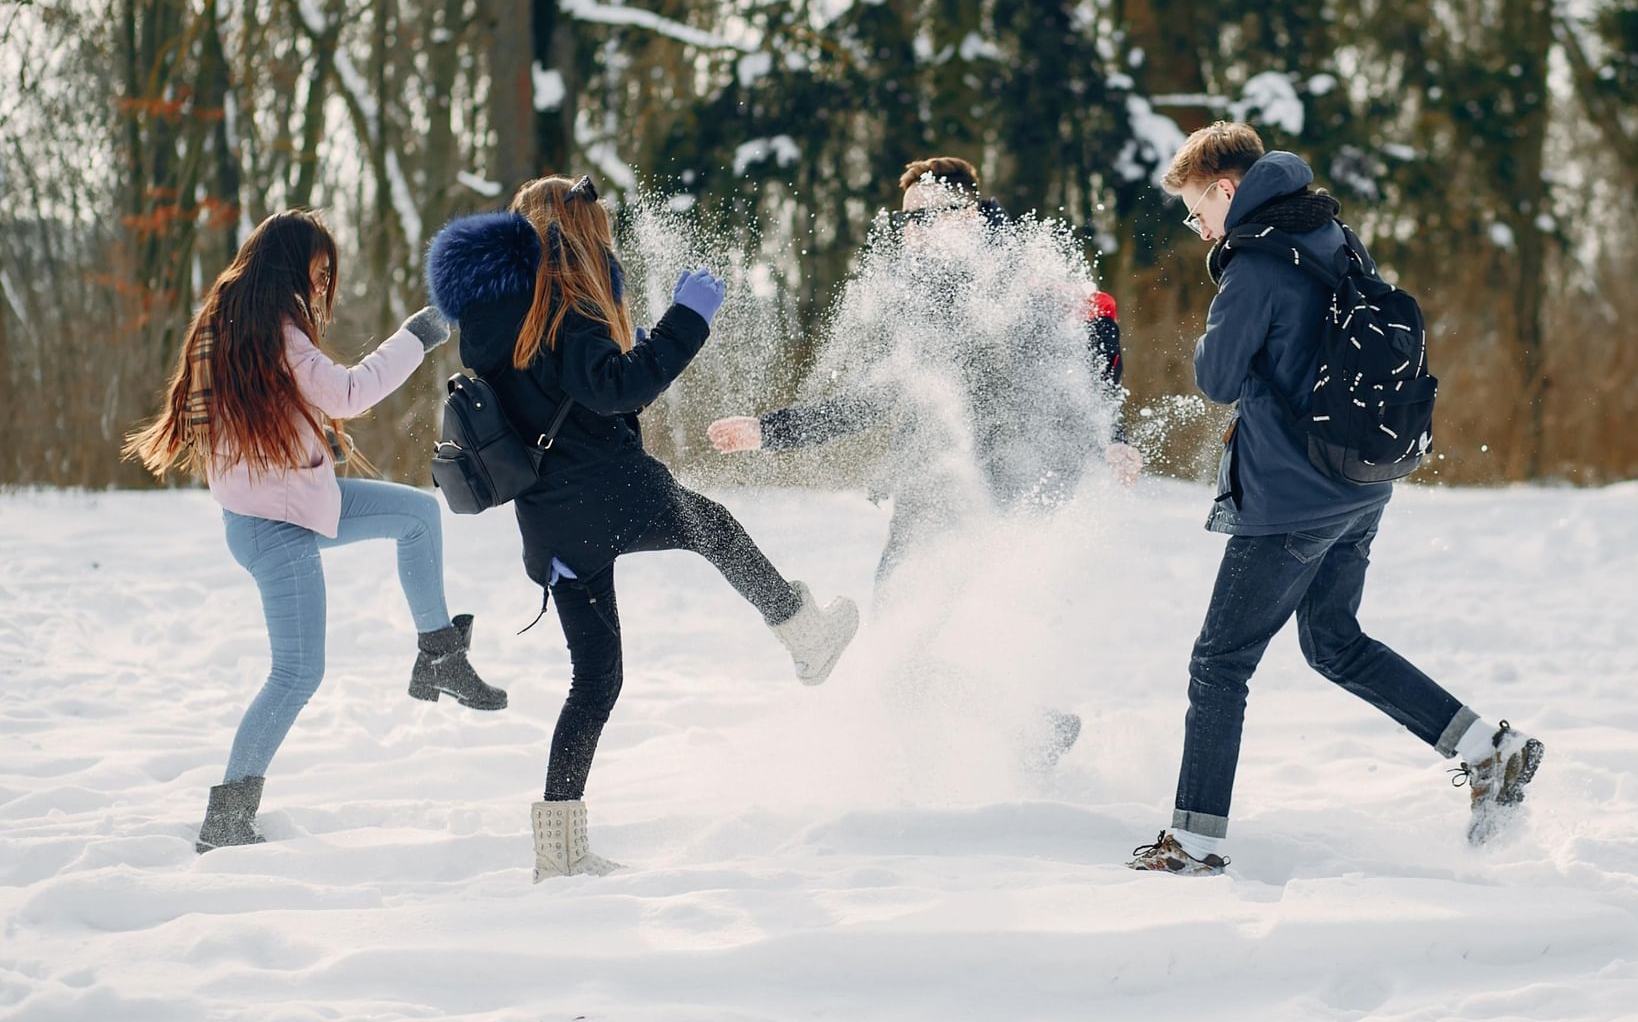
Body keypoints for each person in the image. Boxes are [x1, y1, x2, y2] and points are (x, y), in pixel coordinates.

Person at [1127, 123, 1542, 875]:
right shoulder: (1330, 234)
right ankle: (1489, 748)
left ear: (1225, 189)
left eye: (1196, 212)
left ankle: (1194, 842)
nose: (1199, 231)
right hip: (1358, 484)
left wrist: (1221, 318)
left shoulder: (1253, 264)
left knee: (1219, 665)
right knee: (1334, 641)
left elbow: (1216, 378)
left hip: (1291, 500)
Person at [425, 175, 860, 882]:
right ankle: (804, 633)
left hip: (551, 524)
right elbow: (619, 386)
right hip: (614, 487)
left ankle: (559, 853)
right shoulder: (564, 299)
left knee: (594, 678)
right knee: (714, 527)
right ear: (579, 229)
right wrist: (687, 318)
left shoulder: (490, 313)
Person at [124, 209, 505, 854]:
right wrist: (421, 332)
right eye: (320, 268)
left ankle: (439, 655)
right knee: (297, 673)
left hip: (293, 503)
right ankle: (226, 819)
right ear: (291, 263)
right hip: (277, 526)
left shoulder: (228, 320)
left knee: (417, 517)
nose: (323, 281)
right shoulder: (273, 328)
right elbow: (349, 393)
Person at [707, 157, 1140, 599]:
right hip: (927, 477)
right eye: (906, 218)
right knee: (897, 608)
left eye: (924, 217)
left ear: (967, 216)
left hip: (1009, 480)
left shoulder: (1021, 280)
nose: (912, 230)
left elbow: (1084, 350)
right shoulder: (915, 295)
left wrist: (1112, 436)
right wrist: (769, 431)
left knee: (976, 616)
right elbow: (875, 397)